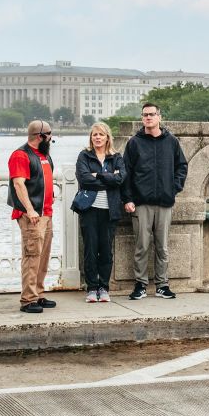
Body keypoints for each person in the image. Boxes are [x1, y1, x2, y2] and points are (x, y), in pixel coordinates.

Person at [122, 102, 187, 300]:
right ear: (142, 118)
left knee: (162, 246)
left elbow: (182, 166)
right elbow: (126, 172)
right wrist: (128, 199)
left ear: (159, 116)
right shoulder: (134, 142)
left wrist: (173, 187)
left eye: (152, 114)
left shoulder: (172, 141)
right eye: (145, 115)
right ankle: (140, 285)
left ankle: (162, 284)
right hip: (141, 203)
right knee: (141, 246)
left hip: (165, 202)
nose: (148, 118)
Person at [8, 119, 58, 314]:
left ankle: (38, 292)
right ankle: (28, 299)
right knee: (31, 255)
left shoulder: (43, 155)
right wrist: (29, 210)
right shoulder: (21, 155)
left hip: (46, 213)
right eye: (50, 135)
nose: (51, 139)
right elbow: (19, 184)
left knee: (43, 256)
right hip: (32, 215)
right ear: (41, 136)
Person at [75, 122, 125, 303]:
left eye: (101, 134)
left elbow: (120, 179)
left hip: (109, 210)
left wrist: (99, 176)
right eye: (94, 134)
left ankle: (103, 287)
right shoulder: (84, 156)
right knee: (90, 249)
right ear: (91, 137)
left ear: (107, 137)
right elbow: (84, 178)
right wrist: (109, 178)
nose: (97, 137)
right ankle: (92, 288)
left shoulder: (116, 157)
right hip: (89, 209)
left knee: (106, 251)